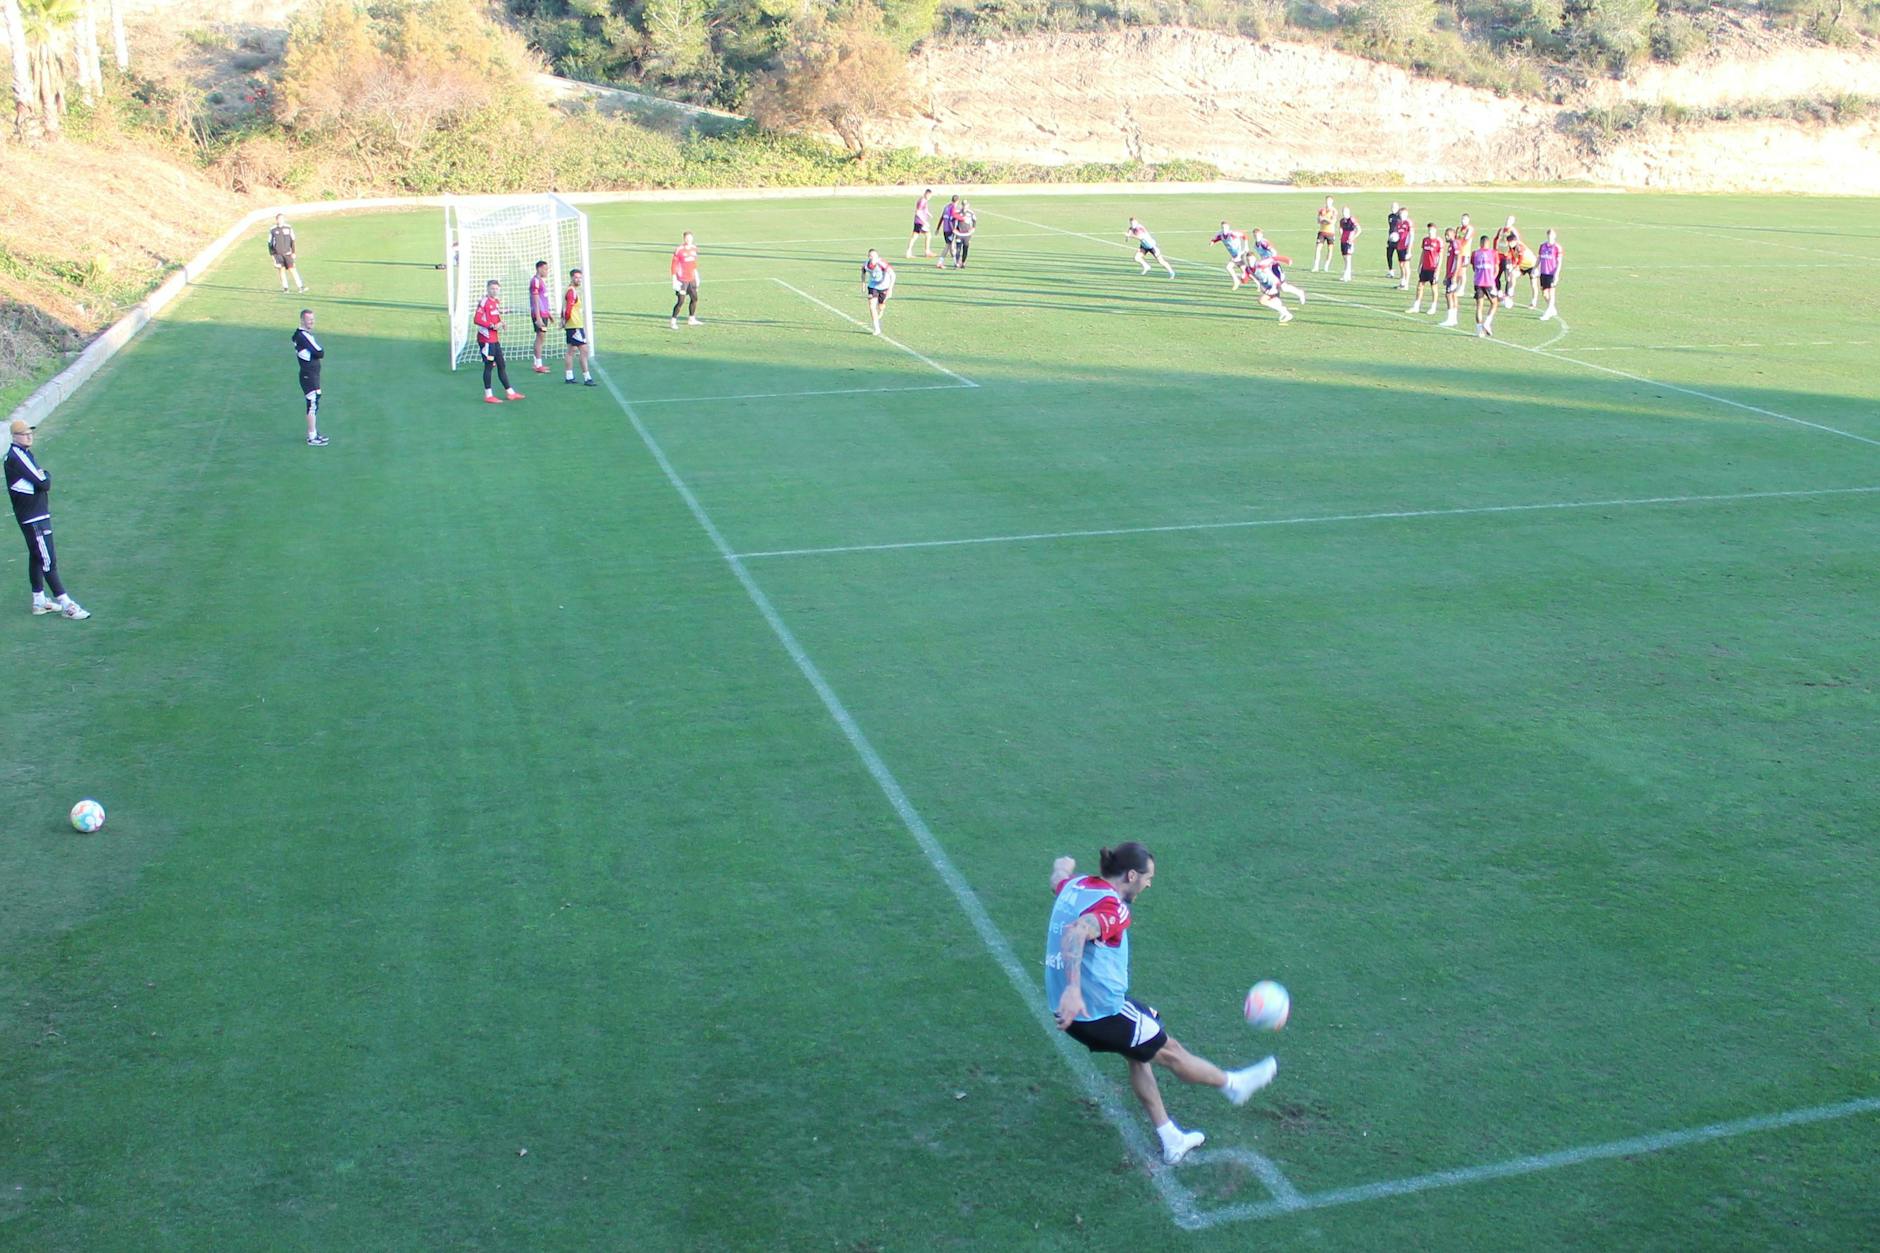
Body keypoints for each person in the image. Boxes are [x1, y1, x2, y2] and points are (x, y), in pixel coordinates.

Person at [1045, 843, 1276, 1166]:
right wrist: (1074, 989)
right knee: (1171, 1051)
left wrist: (1063, 865)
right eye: (1148, 877)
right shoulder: (1114, 908)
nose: (1149, 884)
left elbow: (1058, 877)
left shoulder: (1075, 886)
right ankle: (1233, 1085)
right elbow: (1077, 932)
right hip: (1096, 1012)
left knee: (1138, 1054)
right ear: (1131, 875)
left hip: (1072, 1009)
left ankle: (1171, 1138)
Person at [7, 419, 88, 619]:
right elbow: (43, 482)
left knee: (36, 556)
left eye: (30, 432)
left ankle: (39, 601)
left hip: (34, 515)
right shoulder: (16, 457)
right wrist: (45, 477)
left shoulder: (24, 454)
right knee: (47, 559)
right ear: (14, 436)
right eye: (24, 433)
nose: (29, 435)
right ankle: (67, 604)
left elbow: (39, 481)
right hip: (34, 517)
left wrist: (42, 478)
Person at [473, 279, 524, 404]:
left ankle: (510, 392)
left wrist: (502, 323)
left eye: (496, 289)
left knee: (501, 364)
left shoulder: (496, 302)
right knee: (489, 366)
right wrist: (491, 325)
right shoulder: (484, 302)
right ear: (487, 289)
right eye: (492, 288)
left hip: (494, 339)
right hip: (486, 339)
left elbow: (495, 316)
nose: (494, 291)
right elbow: (477, 319)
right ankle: (488, 395)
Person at [291, 308, 328, 446]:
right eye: (309, 319)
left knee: (314, 402)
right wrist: (315, 353)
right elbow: (320, 352)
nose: (312, 321)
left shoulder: (302, 335)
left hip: (310, 375)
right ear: (302, 320)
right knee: (312, 404)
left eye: (313, 319)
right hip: (309, 375)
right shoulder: (303, 336)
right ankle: (312, 437)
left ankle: (314, 433)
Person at [1251, 230, 1306, 306]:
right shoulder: (1256, 245)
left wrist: (1271, 260)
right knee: (1272, 285)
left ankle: (1299, 292)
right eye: (1255, 236)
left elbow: (1274, 252)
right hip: (1267, 267)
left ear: (1261, 235)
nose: (1256, 237)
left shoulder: (1264, 243)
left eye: (1258, 235)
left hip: (1274, 266)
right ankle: (1276, 300)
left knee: (1283, 286)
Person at [562, 268, 594, 386]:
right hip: (575, 325)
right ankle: (587, 378)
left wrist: (563, 321)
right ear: (571, 278)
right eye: (576, 277)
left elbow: (564, 308)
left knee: (571, 351)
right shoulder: (572, 292)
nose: (578, 280)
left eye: (580, 278)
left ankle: (569, 376)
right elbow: (568, 310)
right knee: (584, 350)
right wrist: (564, 320)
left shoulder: (570, 290)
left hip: (572, 325)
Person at [268, 214, 307, 294]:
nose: (280, 220)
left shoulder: (288, 228)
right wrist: (273, 255)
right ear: (276, 220)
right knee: (281, 271)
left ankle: (300, 287)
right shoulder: (273, 230)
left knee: (292, 270)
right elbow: (269, 243)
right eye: (279, 219)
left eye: (282, 219)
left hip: (288, 254)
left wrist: (293, 252)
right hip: (278, 255)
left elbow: (292, 240)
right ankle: (285, 288)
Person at [1408, 223, 1442, 314]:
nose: (1430, 232)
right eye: (1429, 230)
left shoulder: (1438, 242)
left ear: (1435, 230)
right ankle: (1416, 306)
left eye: (1431, 230)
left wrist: (1437, 270)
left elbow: (1440, 256)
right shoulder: (1425, 240)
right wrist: (1420, 265)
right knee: (1420, 286)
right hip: (1425, 267)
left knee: (1434, 287)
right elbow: (1423, 253)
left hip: (1433, 267)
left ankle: (1433, 307)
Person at [1470, 234, 1500, 338]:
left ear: (1480, 243)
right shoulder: (1493, 253)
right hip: (1489, 282)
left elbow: (1474, 267)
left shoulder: (1475, 253)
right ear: (1488, 243)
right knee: (1494, 303)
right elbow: (1496, 269)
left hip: (1478, 282)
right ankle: (1487, 322)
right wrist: (1493, 279)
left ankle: (1479, 330)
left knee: (1479, 306)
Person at [670, 231, 701, 329]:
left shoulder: (694, 248)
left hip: (691, 279)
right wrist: (674, 279)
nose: (689, 240)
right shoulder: (679, 250)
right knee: (681, 301)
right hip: (682, 280)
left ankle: (691, 319)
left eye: (690, 238)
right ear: (684, 239)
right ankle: (673, 321)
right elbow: (674, 265)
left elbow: (693, 263)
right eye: (687, 238)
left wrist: (696, 275)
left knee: (695, 298)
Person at [861, 249, 896, 335]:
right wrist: (863, 283)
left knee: (881, 306)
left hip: (884, 286)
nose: (872, 257)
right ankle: (877, 328)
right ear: (868, 257)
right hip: (872, 287)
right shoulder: (866, 265)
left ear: (877, 256)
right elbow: (863, 273)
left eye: (874, 256)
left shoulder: (882, 264)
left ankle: (881, 309)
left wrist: (890, 289)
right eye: (870, 256)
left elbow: (893, 275)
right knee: (872, 306)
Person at [528, 260, 554, 374]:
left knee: (541, 337)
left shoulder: (540, 281)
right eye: (545, 269)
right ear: (539, 269)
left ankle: (537, 363)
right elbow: (536, 300)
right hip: (538, 314)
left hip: (543, 313)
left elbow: (543, 300)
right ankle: (538, 365)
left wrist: (548, 313)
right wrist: (538, 318)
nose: (547, 271)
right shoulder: (536, 282)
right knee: (540, 337)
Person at [1536, 228, 1564, 321]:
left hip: (1552, 273)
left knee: (1551, 292)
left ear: (1554, 236)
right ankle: (1552, 308)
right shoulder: (1542, 246)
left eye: (1551, 235)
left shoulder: (1557, 247)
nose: (1550, 236)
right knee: (1544, 294)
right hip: (1543, 272)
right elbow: (1539, 258)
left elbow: (1559, 262)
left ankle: (1548, 312)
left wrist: (1556, 274)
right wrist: (1535, 267)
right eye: (1548, 234)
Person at [1212, 221, 1251, 288]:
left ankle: (1236, 281)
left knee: (1228, 267)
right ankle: (1258, 282)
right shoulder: (1221, 234)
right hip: (1234, 254)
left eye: (1225, 227)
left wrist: (1246, 246)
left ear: (1228, 227)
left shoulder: (1233, 234)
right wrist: (1213, 242)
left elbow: (1244, 236)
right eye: (1223, 227)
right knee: (1245, 270)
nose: (1224, 229)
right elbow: (1218, 238)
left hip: (1240, 253)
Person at [1439, 226, 1463, 328]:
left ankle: (1450, 318)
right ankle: (1454, 318)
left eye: (1447, 235)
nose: (1446, 237)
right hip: (1450, 274)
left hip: (1454, 275)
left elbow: (1458, 259)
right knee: (1453, 295)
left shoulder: (1455, 244)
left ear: (1453, 235)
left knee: (1448, 295)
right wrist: (1446, 275)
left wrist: (1454, 275)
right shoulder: (1451, 245)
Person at [906, 188, 935, 259]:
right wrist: (925, 222)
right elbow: (917, 212)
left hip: (919, 221)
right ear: (927, 194)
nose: (930, 197)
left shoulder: (923, 200)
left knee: (919, 236)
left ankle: (909, 252)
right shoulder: (922, 201)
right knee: (926, 236)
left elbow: (924, 209)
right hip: (920, 222)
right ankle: (926, 252)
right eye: (930, 196)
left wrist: (929, 214)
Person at [1312, 195, 1337, 272]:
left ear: (1332, 202)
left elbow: (1332, 222)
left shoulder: (1334, 211)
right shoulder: (1322, 210)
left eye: (1329, 201)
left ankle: (1326, 265)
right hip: (1322, 232)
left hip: (1330, 233)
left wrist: (1324, 219)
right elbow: (1319, 221)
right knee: (1318, 249)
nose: (1327, 203)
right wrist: (1325, 220)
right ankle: (1316, 266)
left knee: (1330, 250)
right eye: (1327, 201)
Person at [1391, 208, 1414, 291]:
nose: (1401, 215)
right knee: (1401, 265)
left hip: (1406, 247)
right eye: (1400, 214)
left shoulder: (1408, 222)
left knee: (1406, 265)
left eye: (1403, 214)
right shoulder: (1398, 223)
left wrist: (1409, 249)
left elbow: (1411, 236)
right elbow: (1397, 234)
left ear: (1407, 214)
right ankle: (1402, 282)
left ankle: (1406, 284)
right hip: (1399, 246)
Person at [950, 201, 977, 269]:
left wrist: (973, 228)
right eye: (963, 205)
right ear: (962, 205)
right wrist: (954, 229)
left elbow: (974, 220)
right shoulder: (958, 212)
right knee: (958, 249)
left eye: (966, 205)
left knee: (965, 249)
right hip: (959, 234)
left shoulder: (971, 213)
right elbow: (951, 220)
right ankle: (957, 263)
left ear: (968, 205)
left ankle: (963, 262)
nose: (964, 206)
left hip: (967, 234)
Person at [937, 195, 961, 269]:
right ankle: (940, 263)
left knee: (951, 246)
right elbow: (951, 219)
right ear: (958, 201)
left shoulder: (946, 207)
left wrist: (938, 228)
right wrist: (953, 228)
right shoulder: (953, 208)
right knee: (948, 246)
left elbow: (942, 217)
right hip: (950, 230)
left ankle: (955, 262)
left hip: (945, 229)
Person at [1338, 206, 1360, 283]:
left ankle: (1346, 275)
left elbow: (1359, 230)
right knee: (1345, 258)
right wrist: (1341, 235)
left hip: (1349, 242)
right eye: (1343, 212)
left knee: (1348, 258)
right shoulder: (1342, 221)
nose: (1344, 213)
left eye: (1345, 212)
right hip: (1343, 241)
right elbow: (1340, 229)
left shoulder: (1352, 220)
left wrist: (1353, 237)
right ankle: (1348, 275)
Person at [1383, 202, 1403, 280]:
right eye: (1392, 207)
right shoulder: (1390, 216)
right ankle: (1391, 271)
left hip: (1399, 240)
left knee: (1400, 257)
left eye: (1394, 207)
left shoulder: (1400, 217)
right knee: (1389, 254)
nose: (1392, 209)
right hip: (1391, 239)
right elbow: (1391, 228)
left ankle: (1402, 273)